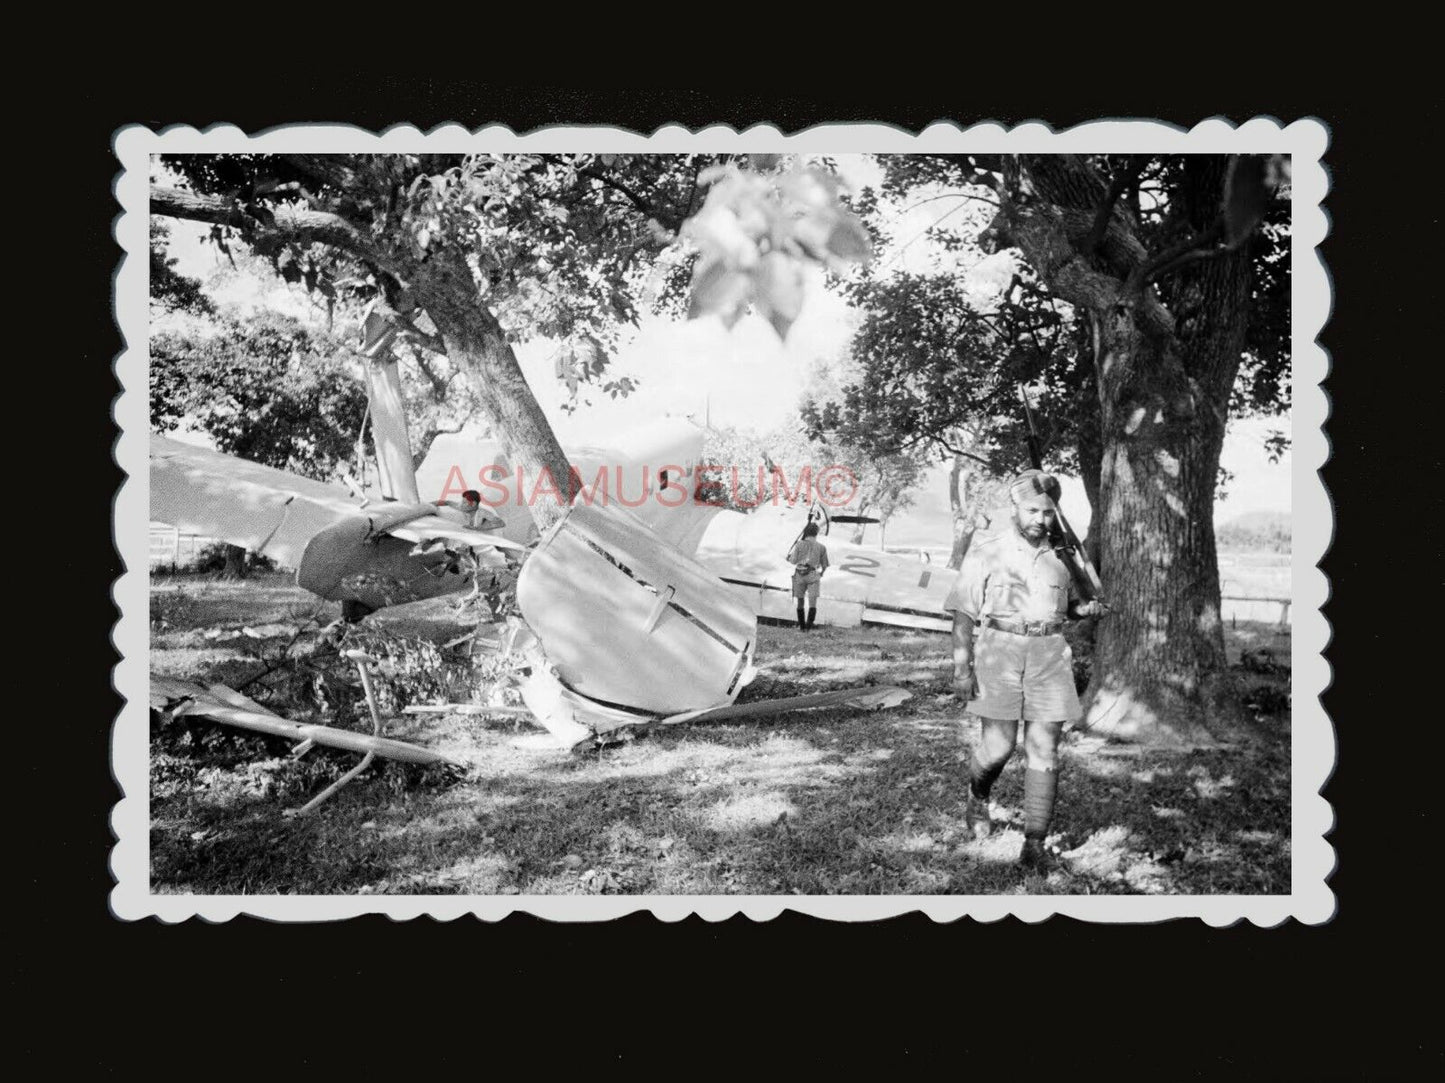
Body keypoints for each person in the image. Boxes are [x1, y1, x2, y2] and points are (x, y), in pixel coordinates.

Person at [945, 469, 1107, 870]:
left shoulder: (1064, 557)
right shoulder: (987, 551)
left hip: (1050, 653)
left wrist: (1087, 608)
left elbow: (1073, 605)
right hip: (999, 650)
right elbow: (963, 616)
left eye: (1048, 512)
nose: (1041, 518)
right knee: (999, 747)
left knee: (1044, 748)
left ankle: (1034, 841)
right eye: (1032, 510)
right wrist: (962, 671)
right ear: (1014, 508)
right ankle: (978, 795)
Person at [786, 520, 830, 631]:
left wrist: (789, 557)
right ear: (816, 533)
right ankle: (808, 628)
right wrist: (821, 573)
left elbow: (793, 561)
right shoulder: (821, 547)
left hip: (799, 575)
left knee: (800, 601)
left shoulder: (799, 544)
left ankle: (802, 627)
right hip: (813, 575)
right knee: (812, 602)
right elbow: (824, 565)